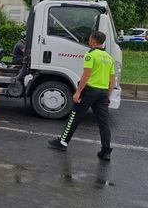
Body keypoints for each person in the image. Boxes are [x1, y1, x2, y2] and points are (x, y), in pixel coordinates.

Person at [48, 31, 116, 160]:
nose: (89, 41)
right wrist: (109, 95)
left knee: (75, 115)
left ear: (93, 41)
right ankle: (106, 150)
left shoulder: (90, 55)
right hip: (102, 93)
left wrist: (78, 91)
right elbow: (112, 80)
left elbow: (86, 75)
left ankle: (63, 142)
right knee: (103, 122)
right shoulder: (109, 57)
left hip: (90, 91)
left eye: (90, 39)